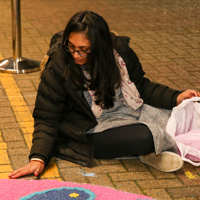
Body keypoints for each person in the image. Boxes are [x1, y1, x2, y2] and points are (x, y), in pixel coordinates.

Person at [8, 11, 200, 179]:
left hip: (130, 109)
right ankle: (149, 148)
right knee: (146, 135)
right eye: (72, 47)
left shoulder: (120, 53)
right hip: (91, 128)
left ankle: (150, 153)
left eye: (84, 50)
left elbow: (141, 86)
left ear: (101, 47)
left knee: (192, 108)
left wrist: (176, 97)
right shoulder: (58, 66)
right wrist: (38, 158)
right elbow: (46, 117)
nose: (76, 55)